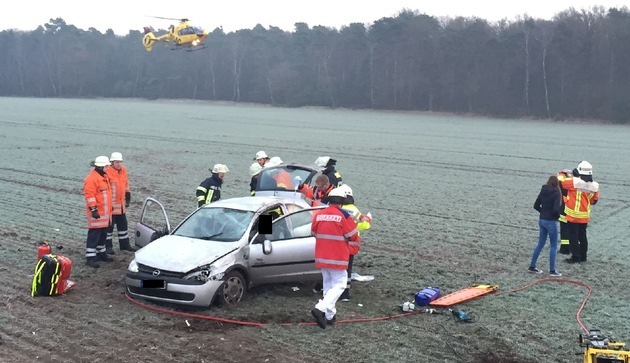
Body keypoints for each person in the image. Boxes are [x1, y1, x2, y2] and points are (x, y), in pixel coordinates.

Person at [310, 188, 360, 329]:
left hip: (321, 255)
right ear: (342, 202)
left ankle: (330, 316)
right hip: (337, 257)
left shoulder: (320, 214)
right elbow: (353, 235)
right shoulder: (343, 215)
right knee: (340, 285)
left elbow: (313, 232)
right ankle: (320, 308)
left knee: (328, 285)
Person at [335, 184, 372, 301]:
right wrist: (368, 219)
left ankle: (322, 288)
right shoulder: (353, 209)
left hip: (336, 242)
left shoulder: (335, 207)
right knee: (347, 269)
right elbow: (365, 225)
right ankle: (344, 294)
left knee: (334, 268)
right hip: (350, 243)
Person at [562, 161, 599, 263]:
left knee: (573, 236)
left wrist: (569, 175)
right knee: (582, 236)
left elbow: (562, 182)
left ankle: (575, 257)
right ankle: (583, 256)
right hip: (584, 216)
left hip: (573, 215)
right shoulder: (594, 186)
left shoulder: (573, 182)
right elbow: (593, 201)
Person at [528, 175, 562, 277]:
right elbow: (556, 210)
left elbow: (536, 205)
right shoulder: (556, 194)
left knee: (540, 243)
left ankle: (532, 266)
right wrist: (558, 217)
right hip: (551, 222)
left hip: (542, 220)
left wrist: (543, 213)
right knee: (553, 245)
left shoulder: (543, 190)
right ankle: (552, 270)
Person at [83, 156, 114, 268]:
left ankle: (101, 253)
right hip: (97, 214)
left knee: (102, 235)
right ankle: (90, 257)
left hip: (104, 214)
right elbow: (89, 195)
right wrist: (94, 209)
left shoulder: (103, 177)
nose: (108, 168)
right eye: (106, 166)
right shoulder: (92, 178)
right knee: (94, 235)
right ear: (101, 166)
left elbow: (106, 196)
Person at [105, 152, 134, 254]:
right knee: (109, 229)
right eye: (117, 162)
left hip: (121, 206)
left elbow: (125, 184)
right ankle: (108, 247)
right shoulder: (108, 172)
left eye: (120, 162)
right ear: (112, 162)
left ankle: (124, 245)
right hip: (111, 207)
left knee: (123, 227)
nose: (119, 164)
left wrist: (128, 195)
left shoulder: (123, 171)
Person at [556, 169, 573, 254]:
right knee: (572, 231)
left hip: (564, 210)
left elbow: (558, 182)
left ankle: (564, 248)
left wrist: (562, 174)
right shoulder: (573, 183)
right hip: (571, 211)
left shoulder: (562, 182)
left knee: (564, 230)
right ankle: (570, 247)